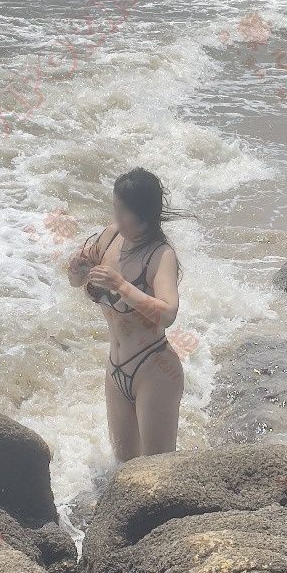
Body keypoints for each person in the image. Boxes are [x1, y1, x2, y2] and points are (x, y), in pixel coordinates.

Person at [67, 168, 192, 462]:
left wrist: (121, 286)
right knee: (123, 469)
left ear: (145, 216)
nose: (117, 217)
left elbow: (168, 313)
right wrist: (75, 268)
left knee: (157, 470)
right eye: (115, 207)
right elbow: (76, 280)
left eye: (124, 212)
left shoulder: (161, 255)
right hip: (116, 369)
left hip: (154, 370)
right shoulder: (111, 236)